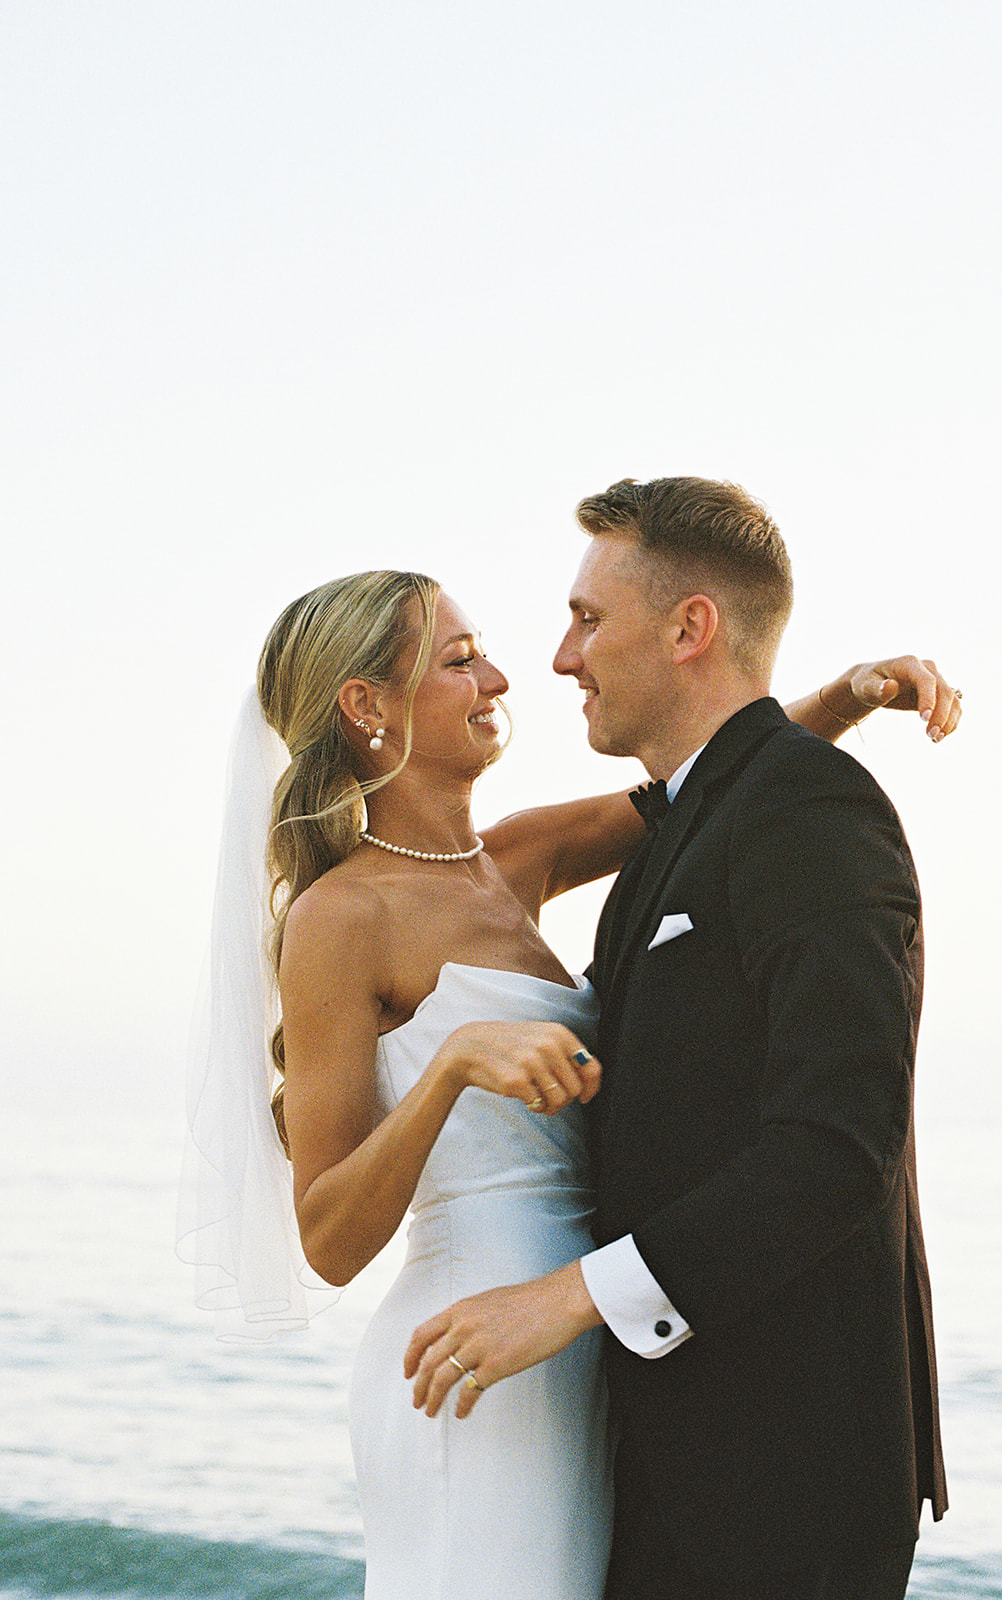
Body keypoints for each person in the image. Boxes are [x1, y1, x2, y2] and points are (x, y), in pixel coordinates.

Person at [182, 560, 960, 1600]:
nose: (502, 677)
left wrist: (844, 696)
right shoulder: (340, 919)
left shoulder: (517, 858)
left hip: (586, 1338)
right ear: (366, 705)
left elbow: (711, 787)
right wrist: (452, 1067)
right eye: (460, 661)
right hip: (476, 1352)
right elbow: (325, 1237)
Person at [405, 480, 951, 1600]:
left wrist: (560, 1299)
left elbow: (834, 1148)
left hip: (783, 1478)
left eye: (588, 620)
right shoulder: (674, 830)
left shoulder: (809, 810)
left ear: (688, 627)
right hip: (657, 1461)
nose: (560, 658)